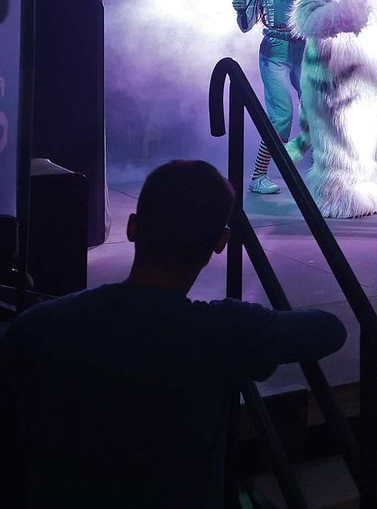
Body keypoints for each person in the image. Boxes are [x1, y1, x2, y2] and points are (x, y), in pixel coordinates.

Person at [0, 160, 347, 508]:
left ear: (132, 227)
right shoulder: (224, 332)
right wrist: (248, 324)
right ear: (221, 242)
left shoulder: (37, 327)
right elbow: (330, 330)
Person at [232, 0, 309, 194]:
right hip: (275, 54)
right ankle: (258, 175)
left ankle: (301, 160)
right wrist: (241, 9)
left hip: (304, 52)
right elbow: (246, 24)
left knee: (316, 108)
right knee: (282, 116)